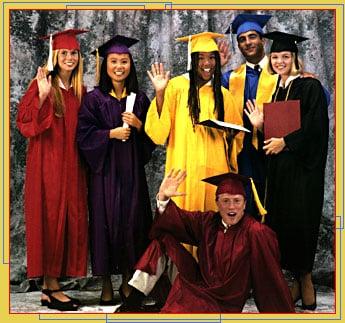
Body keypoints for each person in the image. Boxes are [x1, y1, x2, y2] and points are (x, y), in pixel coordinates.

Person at [115, 169, 295, 313]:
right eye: (225, 201)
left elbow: (270, 275)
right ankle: (131, 304)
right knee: (162, 241)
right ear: (217, 203)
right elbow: (178, 220)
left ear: (245, 204)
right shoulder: (208, 222)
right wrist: (163, 199)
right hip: (199, 285)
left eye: (237, 201)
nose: (231, 207)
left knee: (181, 311)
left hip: (224, 302)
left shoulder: (256, 232)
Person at [245, 31, 329, 311]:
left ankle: (306, 280)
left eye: (285, 56)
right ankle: (294, 279)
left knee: (301, 222)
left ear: (295, 58)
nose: (280, 61)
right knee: (284, 224)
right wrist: (260, 126)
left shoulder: (309, 86)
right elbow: (277, 132)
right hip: (281, 170)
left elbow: (315, 128)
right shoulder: (277, 89)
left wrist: (286, 143)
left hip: (302, 172)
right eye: (276, 56)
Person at [145, 32, 244, 257]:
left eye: (211, 58)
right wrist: (159, 93)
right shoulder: (176, 87)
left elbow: (238, 137)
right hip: (184, 172)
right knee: (184, 221)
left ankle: (211, 277)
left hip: (214, 174)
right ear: (192, 60)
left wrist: (228, 135)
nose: (206, 63)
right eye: (200, 58)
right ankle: (183, 280)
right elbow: (158, 133)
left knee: (211, 222)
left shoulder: (224, 95)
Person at [76, 35, 155, 305]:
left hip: (131, 173)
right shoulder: (93, 99)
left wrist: (139, 125)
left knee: (132, 224)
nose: (119, 66)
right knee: (104, 224)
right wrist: (110, 133)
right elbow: (83, 136)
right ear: (104, 65)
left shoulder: (140, 99)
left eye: (124, 61)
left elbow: (152, 141)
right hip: (105, 175)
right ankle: (106, 282)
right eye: (113, 61)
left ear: (130, 65)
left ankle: (126, 282)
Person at [16, 29, 89, 311]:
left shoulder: (80, 91)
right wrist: (44, 97)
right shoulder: (43, 84)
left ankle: (51, 286)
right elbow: (25, 124)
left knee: (67, 221)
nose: (70, 58)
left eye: (74, 53)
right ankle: (51, 286)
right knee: (49, 220)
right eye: (64, 53)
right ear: (54, 57)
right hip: (47, 167)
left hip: (72, 166)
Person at [220, 14, 277, 216]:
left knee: (275, 204)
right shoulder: (231, 77)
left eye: (252, 37)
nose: (247, 42)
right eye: (242, 39)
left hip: (274, 151)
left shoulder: (282, 71)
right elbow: (206, 97)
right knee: (247, 207)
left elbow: (317, 101)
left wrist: (300, 74)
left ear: (263, 40)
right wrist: (217, 68)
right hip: (243, 153)